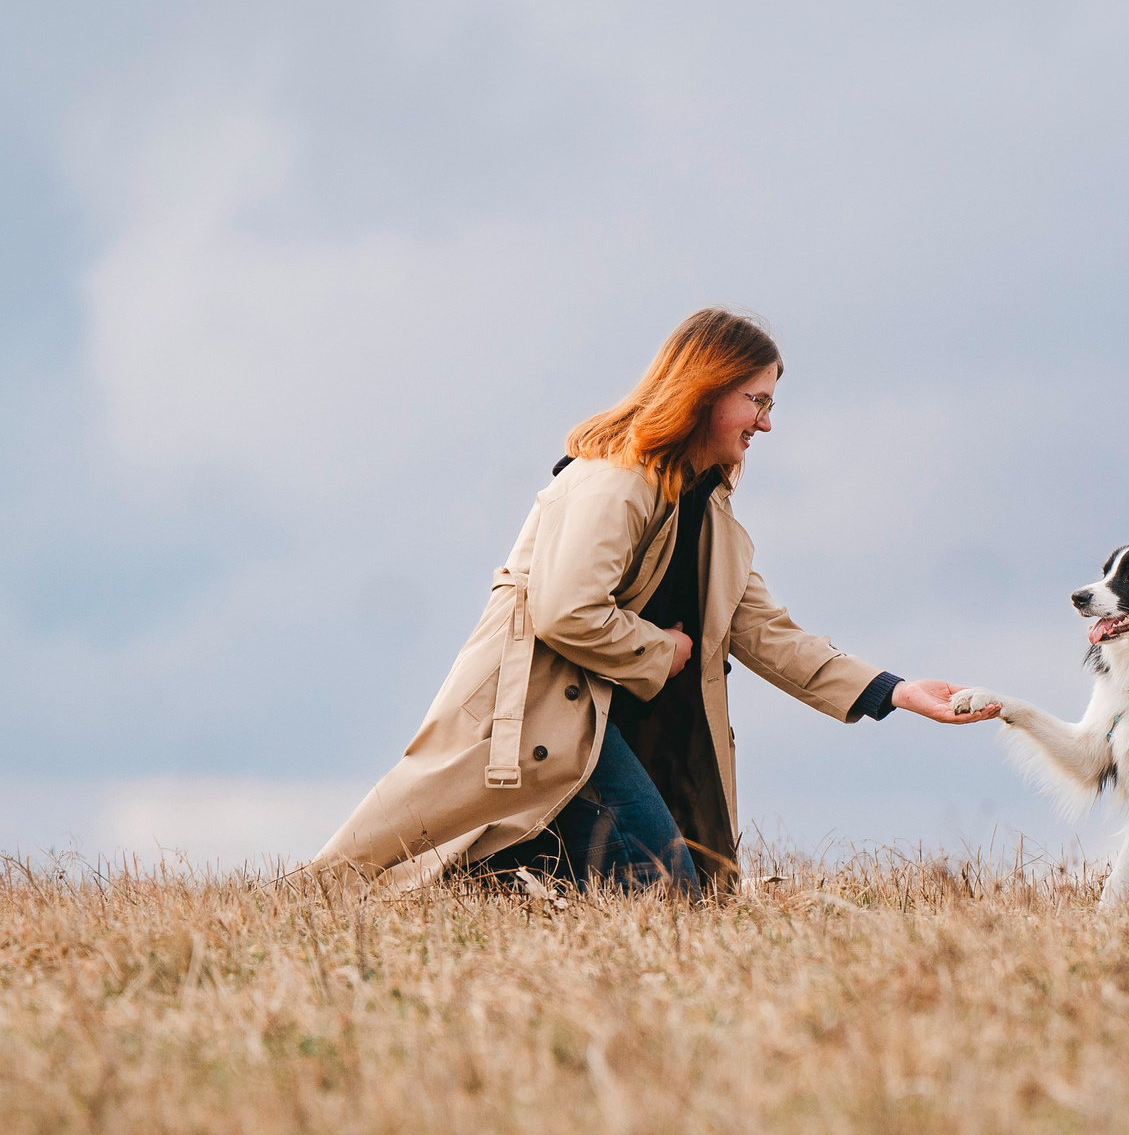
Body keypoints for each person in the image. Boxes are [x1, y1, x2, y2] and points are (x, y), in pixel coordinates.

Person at [309, 308, 999, 894]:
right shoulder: (615, 480)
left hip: (612, 727)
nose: (765, 424)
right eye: (756, 401)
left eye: (769, 404)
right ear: (707, 391)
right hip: (546, 721)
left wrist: (895, 691)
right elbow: (565, 608)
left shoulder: (711, 514)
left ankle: (498, 884)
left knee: (665, 896)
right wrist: (658, 650)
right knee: (664, 895)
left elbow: (765, 632)